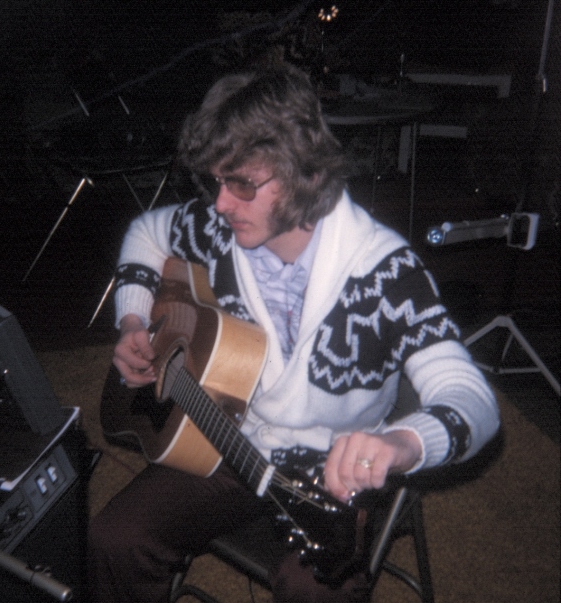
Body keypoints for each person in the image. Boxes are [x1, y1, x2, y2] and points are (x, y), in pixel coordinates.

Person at [88, 62, 499, 602]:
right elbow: (146, 231)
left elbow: (475, 402)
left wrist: (401, 443)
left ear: (307, 173)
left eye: (242, 183)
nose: (221, 203)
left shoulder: (385, 273)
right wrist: (134, 319)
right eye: (216, 181)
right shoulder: (219, 231)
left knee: (314, 590)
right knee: (114, 538)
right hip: (227, 437)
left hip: (331, 479)